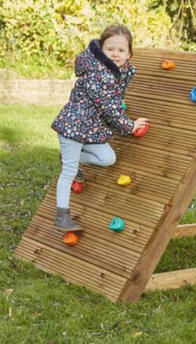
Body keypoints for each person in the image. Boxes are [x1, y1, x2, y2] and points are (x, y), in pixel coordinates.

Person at [51, 24, 148, 231]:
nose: (115, 54)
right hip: (73, 127)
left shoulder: (117, 71)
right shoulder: (99, 73)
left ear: (129, 54)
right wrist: (130, 126)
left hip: (90, 130)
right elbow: (109, 107)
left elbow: (113, 100)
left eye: (121, 50)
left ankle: (69, 157)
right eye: (110, 49)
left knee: (107, 158)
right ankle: (62, 215)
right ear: (101, 50)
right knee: (69, 171)